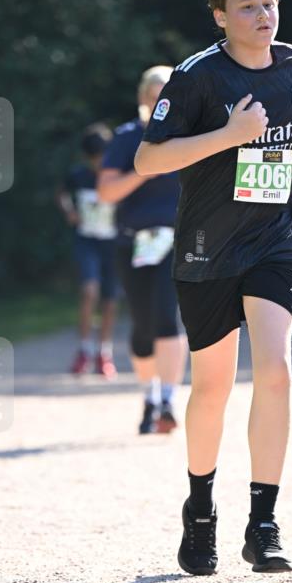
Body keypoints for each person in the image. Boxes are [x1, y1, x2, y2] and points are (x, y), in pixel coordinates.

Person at [135, 0, 292, 575]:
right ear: (220, 16)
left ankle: (263, 524)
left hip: (275, 238)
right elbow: (148, 161)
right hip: (208, 248)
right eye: (247, 6)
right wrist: (229, 134)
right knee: (212, 387)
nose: (263, 15)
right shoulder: (196, 77)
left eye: (269, 3)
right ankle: (200, 511)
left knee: (276, 372)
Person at [98, 67, 187, 435]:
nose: (161, 103)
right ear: (143, 99)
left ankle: (168, 400)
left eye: (167, 96)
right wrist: (144, 171)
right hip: (132, 242)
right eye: (154, 96)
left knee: (167, 317)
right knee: (142, 324)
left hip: (176, 242)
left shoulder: (190, 137)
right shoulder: (127, 138)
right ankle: (149, 396)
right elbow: (106, 192)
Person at [57, 123, 118, 378]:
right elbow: (61, 193)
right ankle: (84, 349)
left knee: (110, 300)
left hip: (112, 243)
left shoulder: (117, 174)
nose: (98, 163)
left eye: (101, 157)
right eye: (94, 158)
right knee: (89, 291)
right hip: (87, 241)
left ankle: (104, 353)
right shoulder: (78, 175)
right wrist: (69, 211)